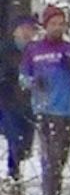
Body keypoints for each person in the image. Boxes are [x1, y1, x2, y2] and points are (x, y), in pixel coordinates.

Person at [19, 5, 70, 195]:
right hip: (45, 111)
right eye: (53, 24)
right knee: (50, 158)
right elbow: (23, 78)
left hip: (68, 112)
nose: (57, 28)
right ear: (45, 25)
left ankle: (54, 193)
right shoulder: (34, 50)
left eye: (61, 24)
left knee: (60, 159)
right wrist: (35, 82)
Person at [1, 13, 38, 181]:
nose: (27, 32)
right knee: (14, 138)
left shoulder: (37, 51)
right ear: (15, 31)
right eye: (24, 28)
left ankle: (15, 170)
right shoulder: (5, 50)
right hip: (8, 101)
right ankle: (13, 175)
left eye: (31, 29)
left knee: (25, 144)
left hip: (30, 102)